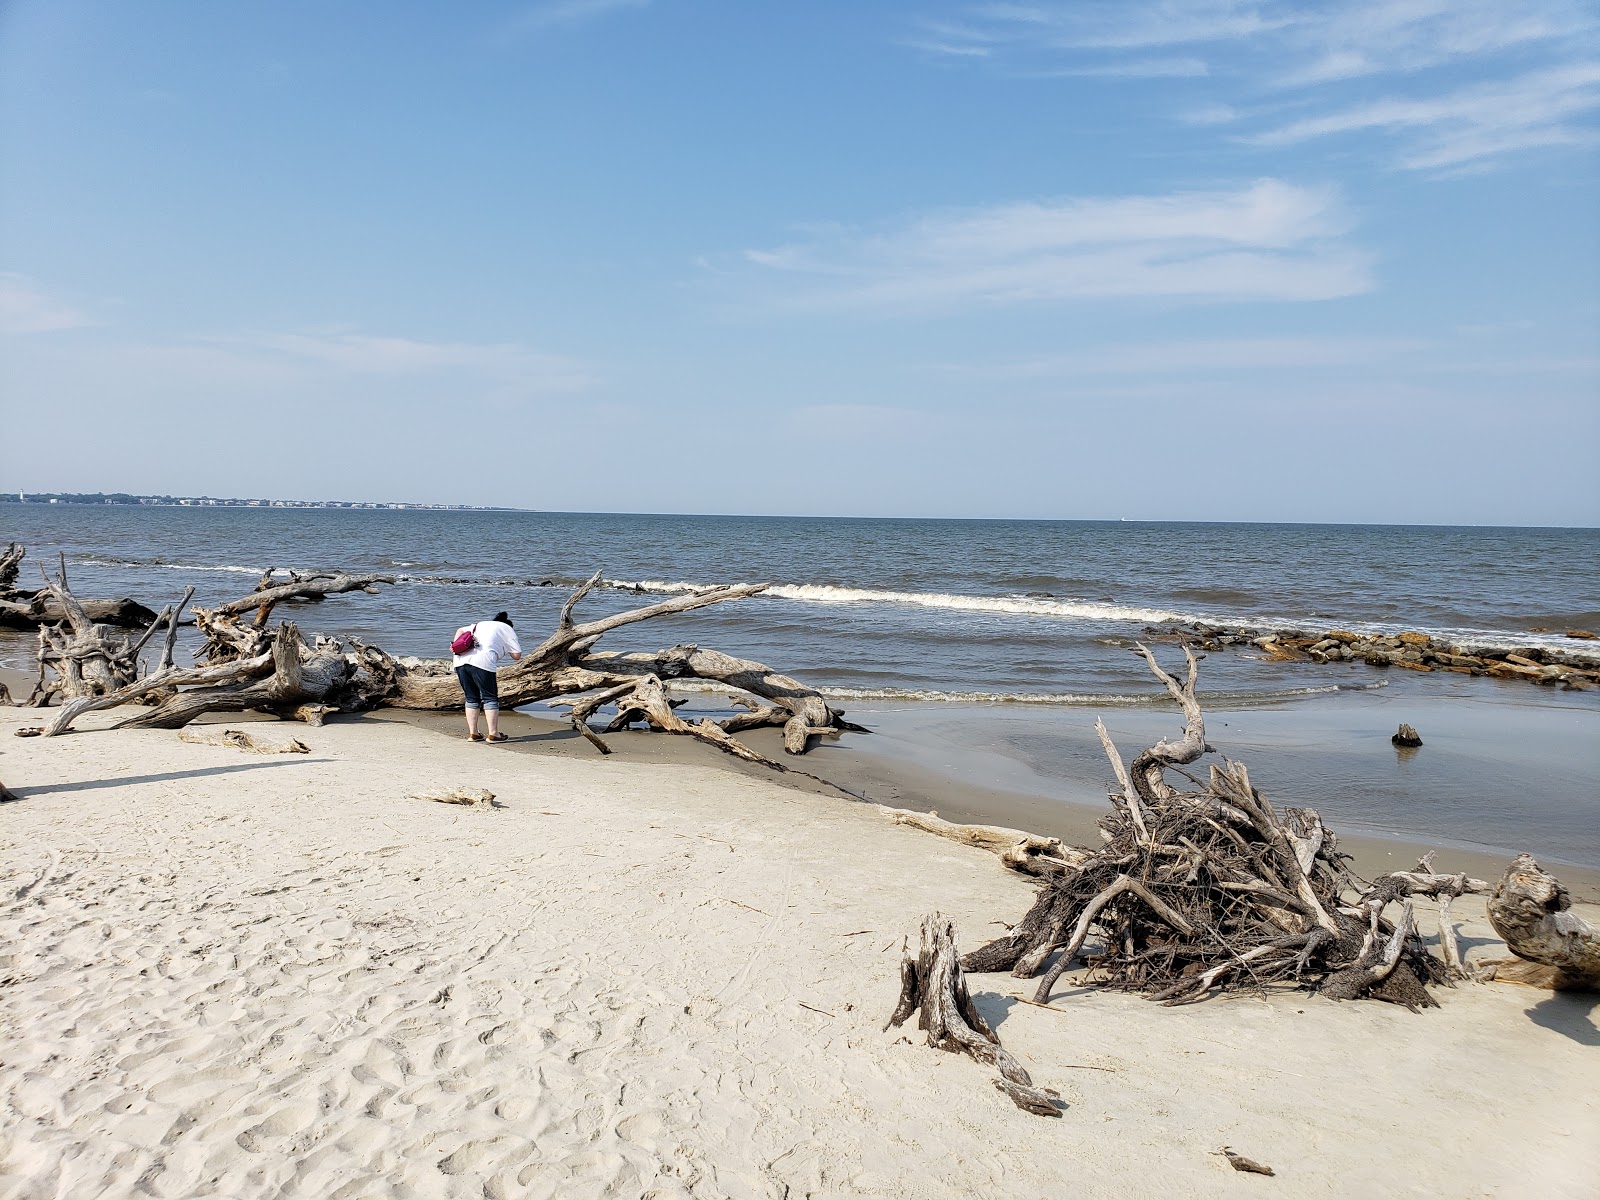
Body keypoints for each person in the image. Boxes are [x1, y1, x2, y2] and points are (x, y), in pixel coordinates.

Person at [451, 610, 522, 742]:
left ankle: (474, 733)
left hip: (460, 660)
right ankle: (493, 734)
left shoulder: (480, 624)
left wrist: (454, 646)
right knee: (490, 697)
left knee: (471, 697)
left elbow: (460, 630)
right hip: (483, 663)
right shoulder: (507, 629)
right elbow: (516, 656)